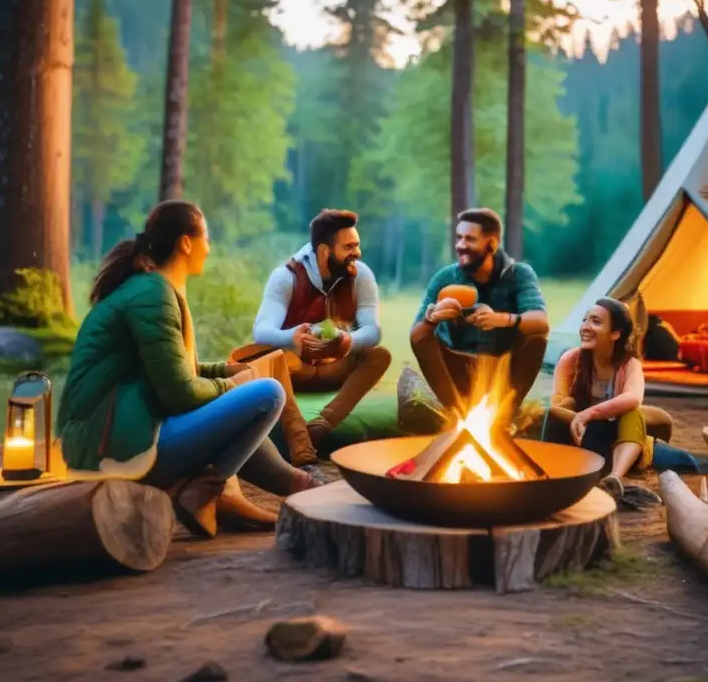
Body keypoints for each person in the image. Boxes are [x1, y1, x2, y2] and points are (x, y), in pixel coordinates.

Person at [57, 200, 321, 540]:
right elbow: (180, 392)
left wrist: (228, 371)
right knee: (270, 393)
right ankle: (203, 493)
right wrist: (237, 385)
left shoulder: (154, 288)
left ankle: (306, 488)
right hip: (115, 448)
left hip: (121, 433)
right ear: (185, 242)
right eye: (206, 237)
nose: (209, 248)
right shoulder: (153, 294)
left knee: (250, 398)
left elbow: (181, 369)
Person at [251, 209, 391, 457]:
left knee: (379, 355)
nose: (356, 253)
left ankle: (321, 426)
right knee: (265, 357)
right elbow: (261, 331)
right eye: (349, 247)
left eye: (357, 246)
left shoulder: (361, 275)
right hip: (294, 371)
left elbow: (372, 330)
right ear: (325, 250)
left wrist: (348, 340)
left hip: (336, 366)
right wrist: (290, 337)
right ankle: (299, 441)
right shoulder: (286, 276)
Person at [410, 208, 548, 418]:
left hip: (502, 368)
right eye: (458, 238)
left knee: (537, 338)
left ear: (491, 243)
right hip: (457, 366)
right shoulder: (445, 277)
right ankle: (455, 415)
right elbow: (417, 336)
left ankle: (504, 416)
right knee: (421, 337)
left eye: (470, 239)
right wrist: (432, 319)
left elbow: (541, 322)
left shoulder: (518, 274)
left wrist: (501, 319)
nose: (460, 245)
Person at [548, 297, 660, 508]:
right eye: (584, 320)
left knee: (635, 415)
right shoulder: (571, 360)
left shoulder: (629, 364)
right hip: (583, 436)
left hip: (622, 437)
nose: (585, 327)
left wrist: (589, 413)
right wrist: (574, 410)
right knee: (555, 412)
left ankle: (614, 479)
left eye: (596, 322)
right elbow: (559, 406)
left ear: (615, 334)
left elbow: (633, 398)